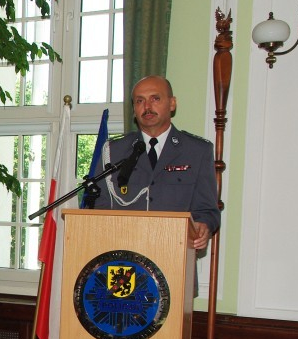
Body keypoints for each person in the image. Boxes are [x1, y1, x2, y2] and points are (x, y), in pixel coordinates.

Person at [92, 75, 221, 249]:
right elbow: (100, 206)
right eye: (139, 101)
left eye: (155, 99)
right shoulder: (114, 150)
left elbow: (207, 210)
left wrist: (203, 226)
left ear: (172, 103)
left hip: (175, 253)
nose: (147, 107)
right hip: (124, 256)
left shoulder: (196, 151)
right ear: (134, 109)